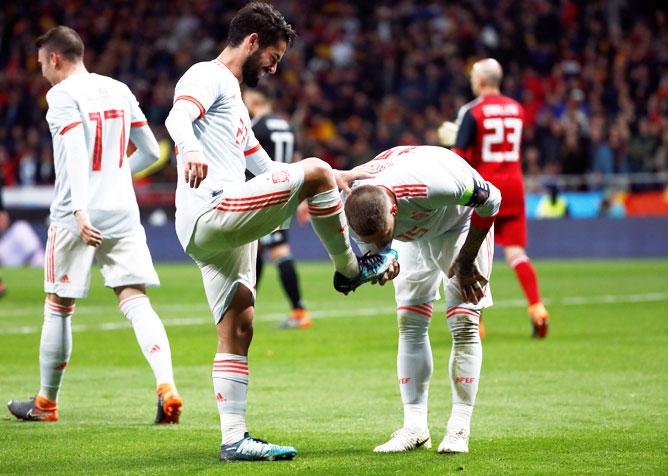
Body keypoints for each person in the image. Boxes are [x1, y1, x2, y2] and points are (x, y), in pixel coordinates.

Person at [164, 3, 396, 462]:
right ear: (251, 41)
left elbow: (268, 169)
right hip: (213, 207)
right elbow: (176, 118)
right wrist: (188, 148)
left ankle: (234, 440)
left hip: (220, 226)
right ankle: (351, 268)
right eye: (273, 55)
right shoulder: (205, 76)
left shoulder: (235, 104)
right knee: (313, 169)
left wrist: (337, 176)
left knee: (239, 324)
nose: (274, 67)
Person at [8, 26, 182, 424]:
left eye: (41, 65)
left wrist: (81, 210)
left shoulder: (61, 96)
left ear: (55, 58)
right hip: (122, 210)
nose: (42, 74)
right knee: (135, 299)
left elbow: (72, 155)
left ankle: (46, 404)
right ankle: (166, 386)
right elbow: (152, 150)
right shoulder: (118, 88)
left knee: (59, 305)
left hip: (76, 214)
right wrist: (117, 177)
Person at [343, 145, 501, 455]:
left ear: (393, 209)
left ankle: (459, 427)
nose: (377, 245)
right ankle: (415, 428)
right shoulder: (350, 203)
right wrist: (377, 258)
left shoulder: (432, 183)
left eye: (382, 237)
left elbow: (492, 199)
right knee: (410, 323)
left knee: (464, 323)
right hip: (412, 237)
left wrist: (467, 260)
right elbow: (367, 242)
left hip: (459, 224)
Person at [439, 58, 550, 338]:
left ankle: (476, 319)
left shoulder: (472, 111)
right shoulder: (517, 109)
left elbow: (460, 157)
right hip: (514, 186)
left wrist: (452, 142)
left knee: (473, 253)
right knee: (516, 254)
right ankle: (537, 308)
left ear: (481, 81)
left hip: (485, 189)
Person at [242, 85, 311, 329]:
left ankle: (300, 311)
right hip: (286, 193)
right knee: (256, 249)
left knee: (279, 251)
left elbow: (244, 162)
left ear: (252, 99)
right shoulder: (287, 126)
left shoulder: (254, 126)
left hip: (265, 194)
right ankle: (247, 307)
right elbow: (296, 161)